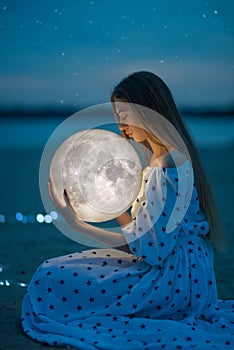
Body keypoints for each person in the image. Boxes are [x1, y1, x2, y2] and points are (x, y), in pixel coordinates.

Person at [21, 71, 234, 349]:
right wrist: (112, 203)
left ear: (149, 110)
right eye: (116, 114)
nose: (121, 125)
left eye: (125, 113)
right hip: (188, 275)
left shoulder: (166, 167)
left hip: (171, 281)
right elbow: (146, 237)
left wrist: (77, 225)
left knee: (50, 275)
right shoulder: (167, 158)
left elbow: (149, 250)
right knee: (62, 270)